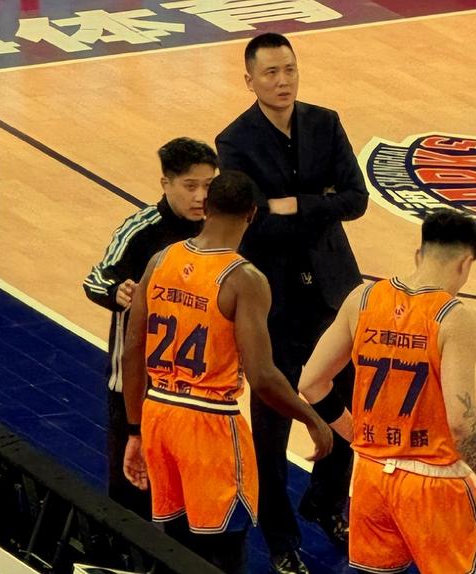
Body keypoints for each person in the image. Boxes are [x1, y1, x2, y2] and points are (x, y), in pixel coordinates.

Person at [120, 171, 333, 574]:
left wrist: (135, 430)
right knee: (223, 554)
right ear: (251, 214)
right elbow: (262, 376)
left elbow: (132, 352)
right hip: (209, 423)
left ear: (207, 207)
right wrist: (313, 418)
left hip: (158, 414)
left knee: (175, 549)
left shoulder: (161, 260)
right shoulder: (243, 279)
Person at [215, 32, 368, 572]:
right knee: (272, 424)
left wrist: (293, 205)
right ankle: (281, 541)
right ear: (250, 80)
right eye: (271, 73)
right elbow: (256, 221)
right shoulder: (234, 142)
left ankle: (326, 502)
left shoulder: (325, 122)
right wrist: (320, 204)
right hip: (273, 299)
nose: (283, 81)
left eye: (290, 70)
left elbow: (357, 199)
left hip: (332, 289)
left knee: (351, 407)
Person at [299, 208, 476, 574]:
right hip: (432, 485)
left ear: (419, 254)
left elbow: (311, 383)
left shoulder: (362, 299)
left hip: (372, 478)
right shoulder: (456, 318)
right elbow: (462, 423)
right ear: (465, 263)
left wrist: (355, 434)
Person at [82, 137, 217, 519]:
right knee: (132, 492)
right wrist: (116, 291)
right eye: (190, 186)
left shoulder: (217, 231)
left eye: (208, 185)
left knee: (185, 497)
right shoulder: (140, 230)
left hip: (192, 387)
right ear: (165, 184)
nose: (200, 196)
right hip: (135, 386)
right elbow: (95, 279)